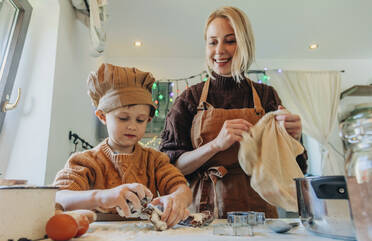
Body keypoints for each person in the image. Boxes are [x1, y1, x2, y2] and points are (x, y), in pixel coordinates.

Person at [159, 6, 307, 218]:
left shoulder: (266, 96)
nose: (219, 50)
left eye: (230, 40)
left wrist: (293, 138)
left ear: (245, 44)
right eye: (213, 42)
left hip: (259, 210)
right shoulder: (189, 98)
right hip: (201, 211)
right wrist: (215, 145)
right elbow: (173, 168)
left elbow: (291, 169)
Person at [54, 63, 192, 227]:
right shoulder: (85, 161)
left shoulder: (155, 160)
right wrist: (102, 197)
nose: (132, 126)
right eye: (123, 118)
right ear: (102, 116)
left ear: (148, 120)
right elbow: (58, 197)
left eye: (140, 120)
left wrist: (177, 199)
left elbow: (181, 188)